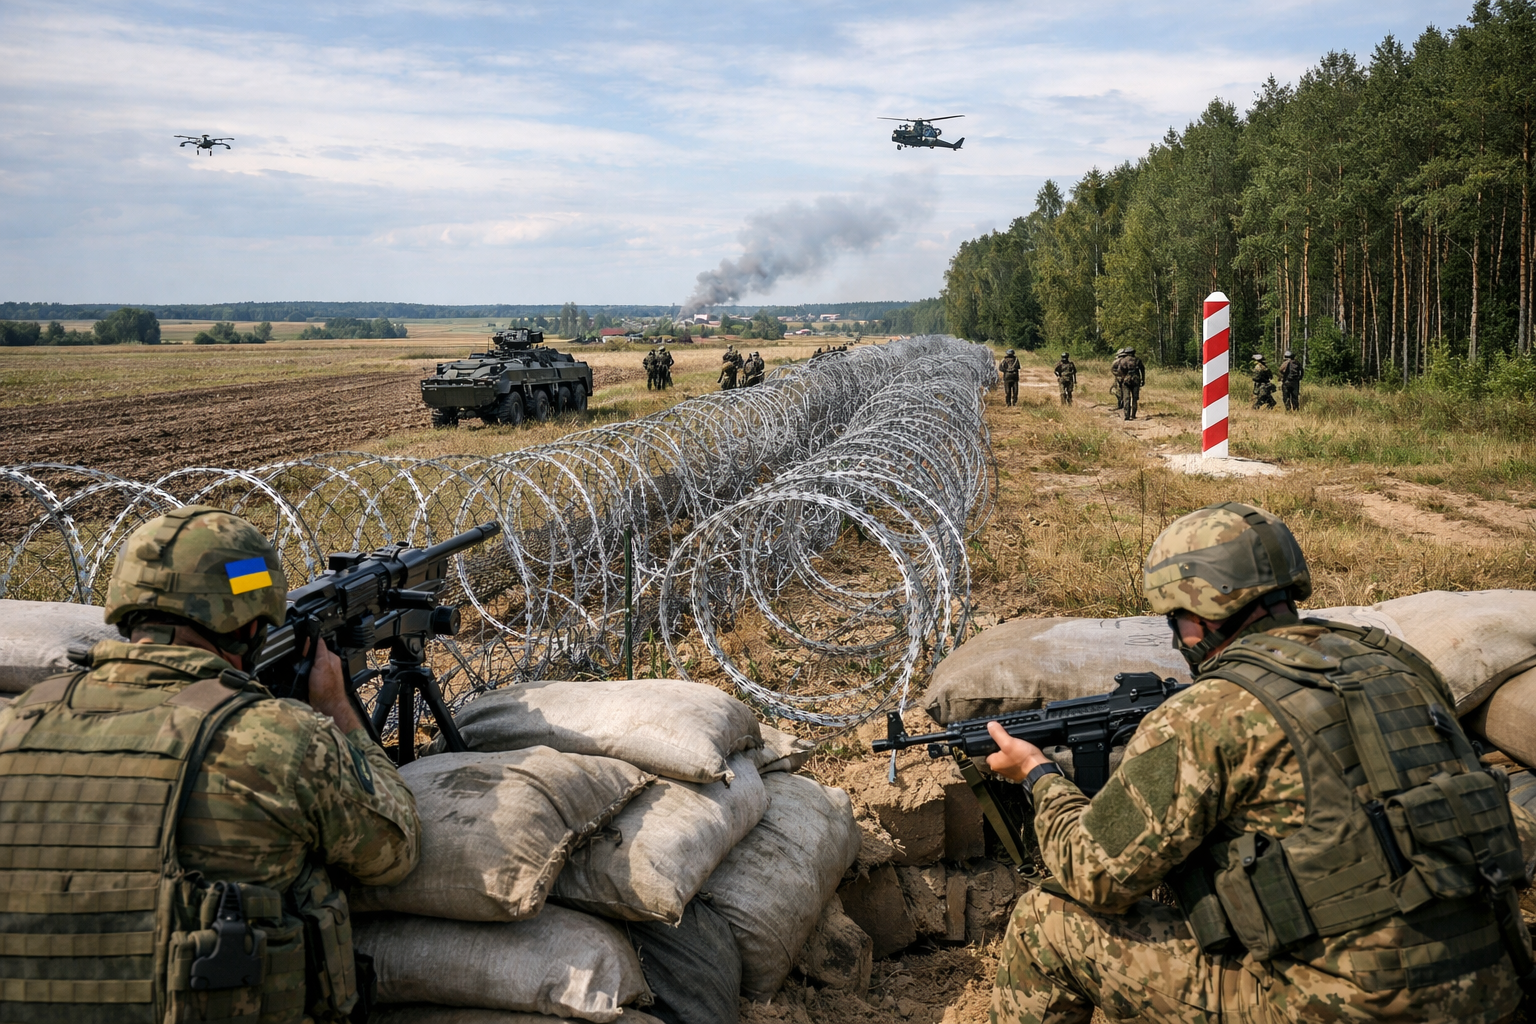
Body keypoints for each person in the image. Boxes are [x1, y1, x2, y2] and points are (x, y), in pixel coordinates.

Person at [987, 501, 1536, 1024]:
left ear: (1199, 614)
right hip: (1493, 985)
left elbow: (1095, 877)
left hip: (1345, 1008)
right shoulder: (1401, 666)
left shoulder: (1208, 713)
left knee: (1044, 922)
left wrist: (1039, 776)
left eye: (1177, 617)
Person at [0, 505, 420, 1024]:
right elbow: (394, 852)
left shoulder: (17, 723)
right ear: (247, 628)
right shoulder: (276, 739)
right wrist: (334, 704)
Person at [1120, 346, 1146, 420]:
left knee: (1126, 398)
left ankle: (1127, 416)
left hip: (1126, 381)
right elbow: (1142, 369)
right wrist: (1143, 379)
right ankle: (1133, 415)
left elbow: (1120, 371)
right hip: (1136, 381)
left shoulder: (1123, 361)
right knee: (1135, 398)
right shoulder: (1138, 360)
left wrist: (1122, 379)